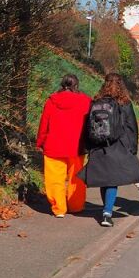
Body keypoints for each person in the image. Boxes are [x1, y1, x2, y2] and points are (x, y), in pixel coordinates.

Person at [78, 73, 139, 227]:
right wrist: (132, 148)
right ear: (121, 85)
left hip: (98, 145)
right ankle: (107, 213)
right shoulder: (124, 102)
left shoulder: (96, 101)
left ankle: (105, 209)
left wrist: (87, 146)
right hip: (117, 145)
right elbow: (131, 127)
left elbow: (87, 125)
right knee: (112, 180)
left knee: (105, 179)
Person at [36, 75, 92, 217]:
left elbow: (44, 123)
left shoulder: (52, 100)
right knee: (76, 178)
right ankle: (76, 205)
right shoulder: (86, 101)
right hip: (77, 145)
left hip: (54, 145)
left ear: (62, 84)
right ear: (76, 85)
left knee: (54, 178)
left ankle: (59, 208)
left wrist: (40, 141)